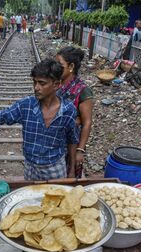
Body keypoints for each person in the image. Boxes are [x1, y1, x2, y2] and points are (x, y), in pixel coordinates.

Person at [0, 59, 78, 180]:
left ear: (56, 84)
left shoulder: (68, 110)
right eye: (34, 82)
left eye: (42, 83)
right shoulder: (26, 105)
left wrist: (71, 170)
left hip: (55, 168)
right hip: (31, 168)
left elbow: (72, 140)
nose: (36, 87)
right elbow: (0, 116)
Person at [55, 46, 94, 178]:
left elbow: (87, 123)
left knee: (69, 178)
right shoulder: (55, 84)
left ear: (71, 66)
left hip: (71, 144)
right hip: (53, 142)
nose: (55, 68)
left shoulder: (82, 90)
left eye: (59, 65)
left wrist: (80, 151)